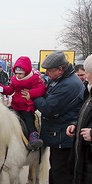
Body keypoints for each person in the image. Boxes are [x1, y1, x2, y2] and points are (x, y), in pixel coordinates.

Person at [33, 51, 84, 184]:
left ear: (60, 69)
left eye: (49, 70)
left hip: (63, 137)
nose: (47, 73)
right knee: (55, 170)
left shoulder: (68, 85)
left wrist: (33, 95)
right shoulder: (62, 80)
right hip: (59, 136)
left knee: (60, 173)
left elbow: (48, 109)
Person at [0, 56, 46, 150]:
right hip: (15, 105)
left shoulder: (34, 79)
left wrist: (31, 93)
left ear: (27, 71)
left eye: (20, 73)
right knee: (4, 114)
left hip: (27, 107)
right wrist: (0, 88)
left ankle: (33, 138)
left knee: (29, 120)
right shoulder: (14, 79)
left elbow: (42, 89)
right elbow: (10, 90)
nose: (18, 75)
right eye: (16, 73)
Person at [66, 54, 92, 184]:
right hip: (83, 159)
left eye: (87, 72)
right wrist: (76, 125)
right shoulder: (88, 93)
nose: (85, 76)